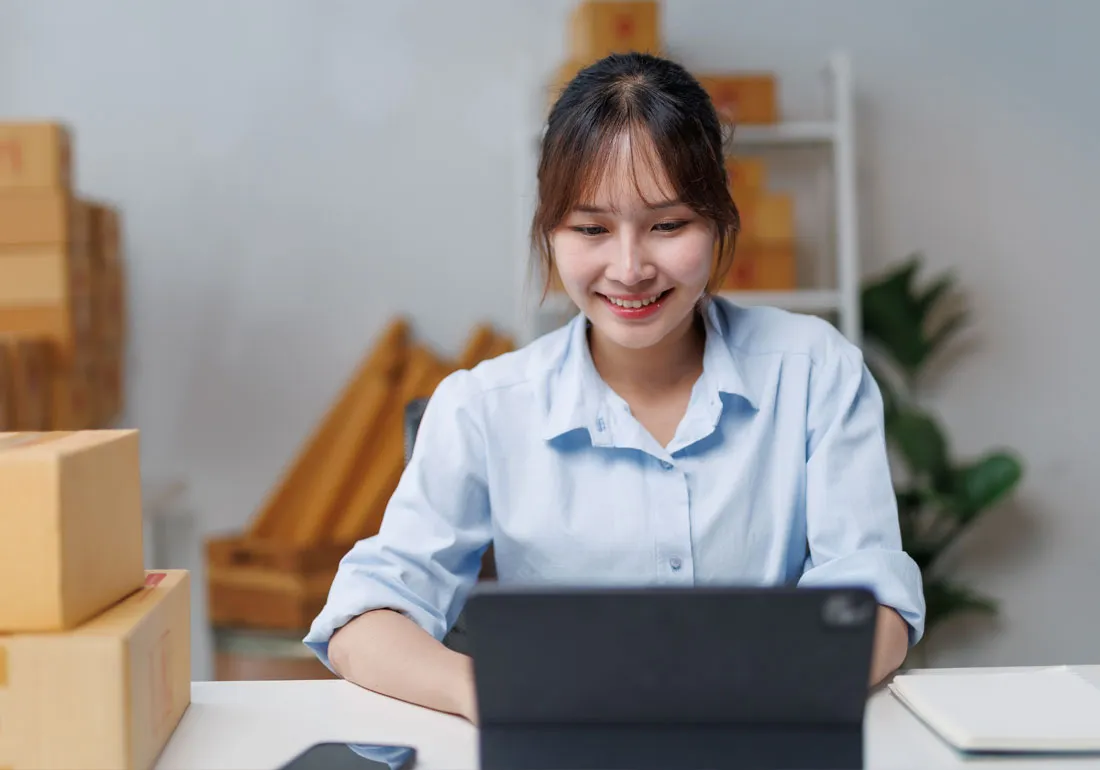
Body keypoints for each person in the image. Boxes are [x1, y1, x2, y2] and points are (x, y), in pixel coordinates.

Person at [304, 52, 925, 724]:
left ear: (718, 221)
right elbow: (365, 616)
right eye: (591, 229)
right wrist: (493, 693)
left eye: (667, 225)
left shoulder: (814, 372)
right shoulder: (482, 408)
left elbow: (875, 598)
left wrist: (772, 689)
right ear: (549, 231)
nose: (629, 269)